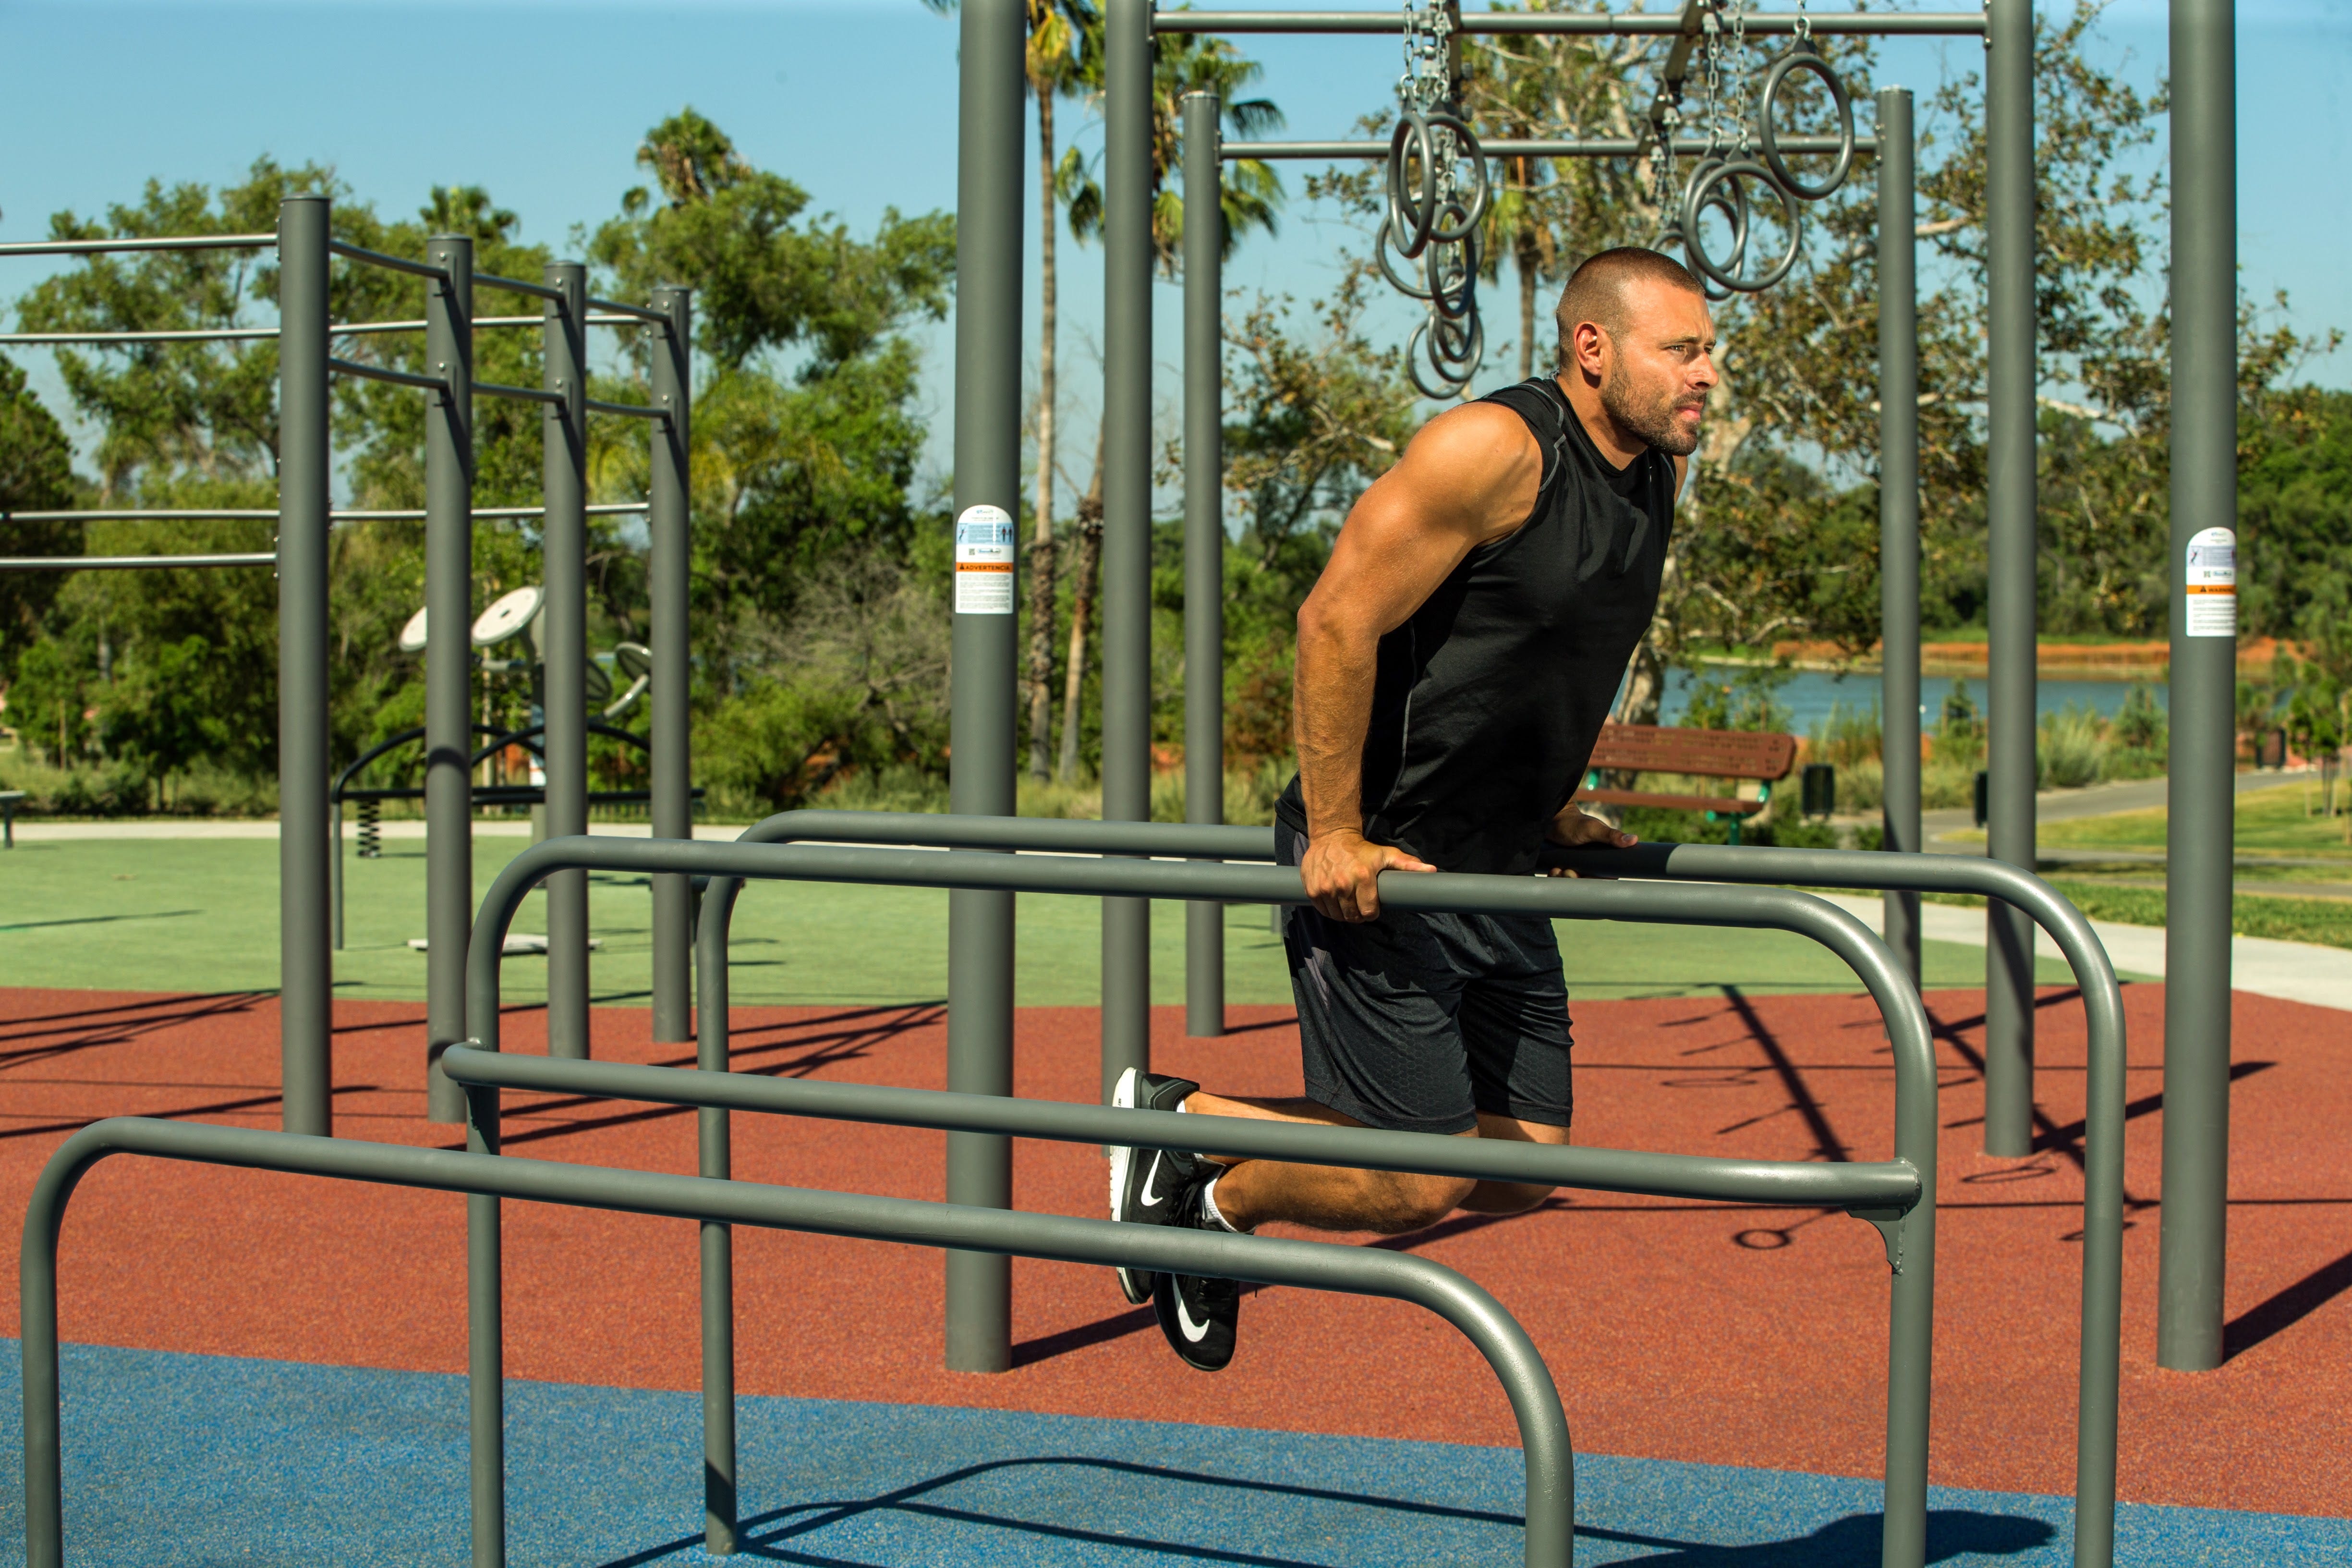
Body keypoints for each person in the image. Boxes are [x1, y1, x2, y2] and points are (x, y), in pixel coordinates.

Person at [1107, 247, 1717, 1372]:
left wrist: (1557, 802)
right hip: (1385, 855)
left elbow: (1553, 651)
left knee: (1529, 1164)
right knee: (1415, 1176)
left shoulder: (1653, 475)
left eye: (1708, 350)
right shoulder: (1490, 450)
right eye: (1681, 349)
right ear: (1594, 347)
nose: (1706, 374)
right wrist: (1334, 831)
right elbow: (1334, 620)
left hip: (1497, 860)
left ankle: (1210, 1185)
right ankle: (1190, 1135)